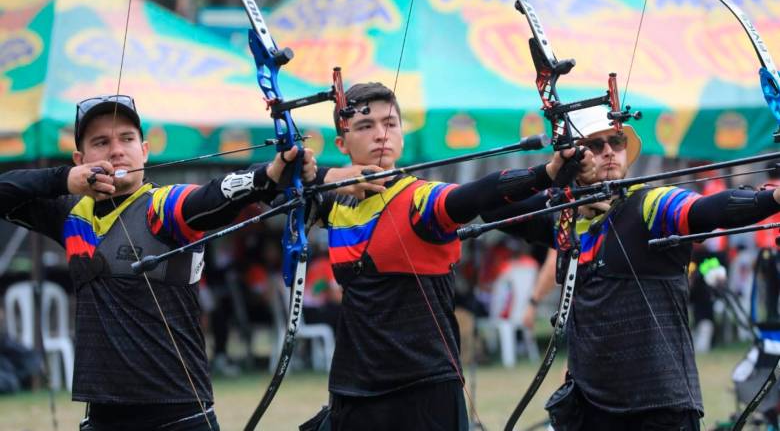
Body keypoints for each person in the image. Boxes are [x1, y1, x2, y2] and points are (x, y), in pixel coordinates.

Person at [0, 94, 368, 431]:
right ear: (79, 161)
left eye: (127, 139)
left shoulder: (162, 207)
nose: (116, 151)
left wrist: (270, 176)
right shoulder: (70, 215)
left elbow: (212, 196)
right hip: (102, 417)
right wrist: (62, 180)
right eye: (101, 142)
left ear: (144, 151)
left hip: (178, 417)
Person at [310, 82, 593, 431]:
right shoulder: (332, 204)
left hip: (424, 389)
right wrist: (330, 177)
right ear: (342, 143)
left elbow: (476, 196)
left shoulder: (420, 200)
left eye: (390, 123)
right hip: (352, 390)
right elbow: (278, 188)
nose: (381, 135)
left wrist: (545, 175)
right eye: (366, 126)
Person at [482, 105, 780, 431]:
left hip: (659, 408)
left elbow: (708, 209)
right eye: (595, 146)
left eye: (617, 142)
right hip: (590, 408)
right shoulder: (565, 220)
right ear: (573, 157)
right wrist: (553, 177)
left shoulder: (650, 206)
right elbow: (491, 208)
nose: (609, 151)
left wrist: (772, 199)